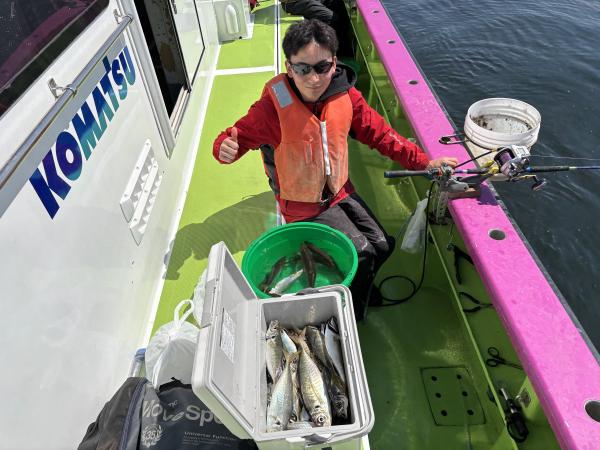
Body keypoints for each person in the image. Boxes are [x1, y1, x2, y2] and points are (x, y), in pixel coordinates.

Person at [213, 19, 457, 319]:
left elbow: (381, 135)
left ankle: (360, 289)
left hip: (340, 191)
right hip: (302, 206)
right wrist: (225, 149)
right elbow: (233, 139)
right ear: (289, 67)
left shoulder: (347, 96)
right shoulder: (270, 110)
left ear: (334, 63)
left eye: (322, 67)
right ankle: (351, 310)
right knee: (362, 253)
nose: (314, 78)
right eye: (303, 69)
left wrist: (424, 162)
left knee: (382, 245)